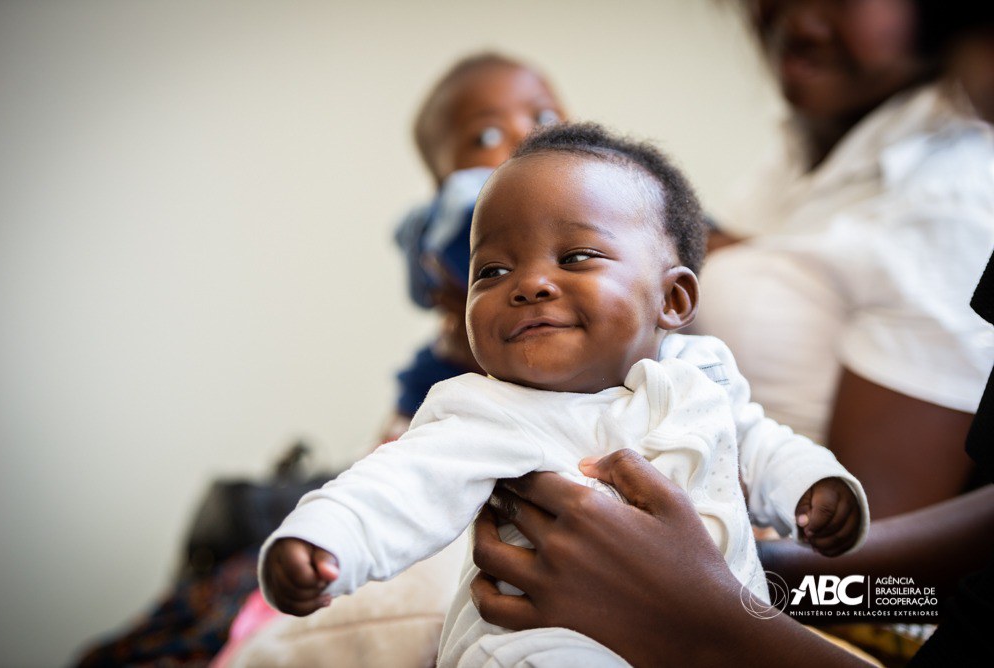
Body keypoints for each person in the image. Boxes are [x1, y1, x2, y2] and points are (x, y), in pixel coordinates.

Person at [469, 1, 994, 665]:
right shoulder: (793, 166)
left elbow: (900, 592)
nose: (797, 20)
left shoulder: (954, 196)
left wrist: (728, 584)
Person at [259, 122, 870, 667]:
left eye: (575, 257)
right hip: (538, 644)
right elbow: (398, 485)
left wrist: (813, 486)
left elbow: (758, 445)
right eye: (492, 271)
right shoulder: (483, 409)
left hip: (715, 632)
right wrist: (323, 538)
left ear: (673, 300)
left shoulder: (703, 374)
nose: (529, 285)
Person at [381, 51, 566, 443]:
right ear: (445, 181)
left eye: (544, 117)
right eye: (486, 136)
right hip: (464, 371)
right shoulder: (466, 211)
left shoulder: (606, 194)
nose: (525, 136)